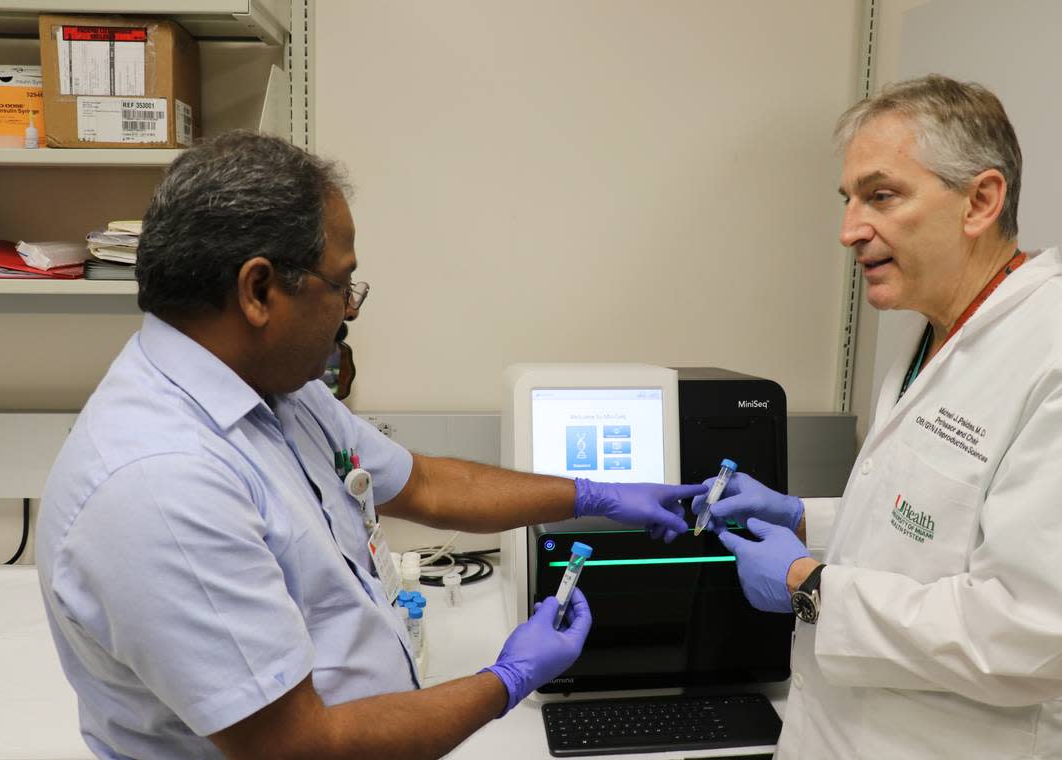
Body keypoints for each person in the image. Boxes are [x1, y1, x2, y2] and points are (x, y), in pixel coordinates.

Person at [36, 131, 707, 760]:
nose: (350, 308)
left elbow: (426, 486)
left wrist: (597, 496)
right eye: (340, 283)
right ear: (260, 290)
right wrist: (507, 680)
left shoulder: (274, 389)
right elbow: (302, 748)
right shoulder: (160, 485)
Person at [693, 74, 1062, 758]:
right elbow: (929, 524)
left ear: (981, 200)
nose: (850, 230)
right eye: (849, 200)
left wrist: (808, 585)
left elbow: (1038, 635)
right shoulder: (935, 333)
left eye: (881, 196)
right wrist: (802, 518)